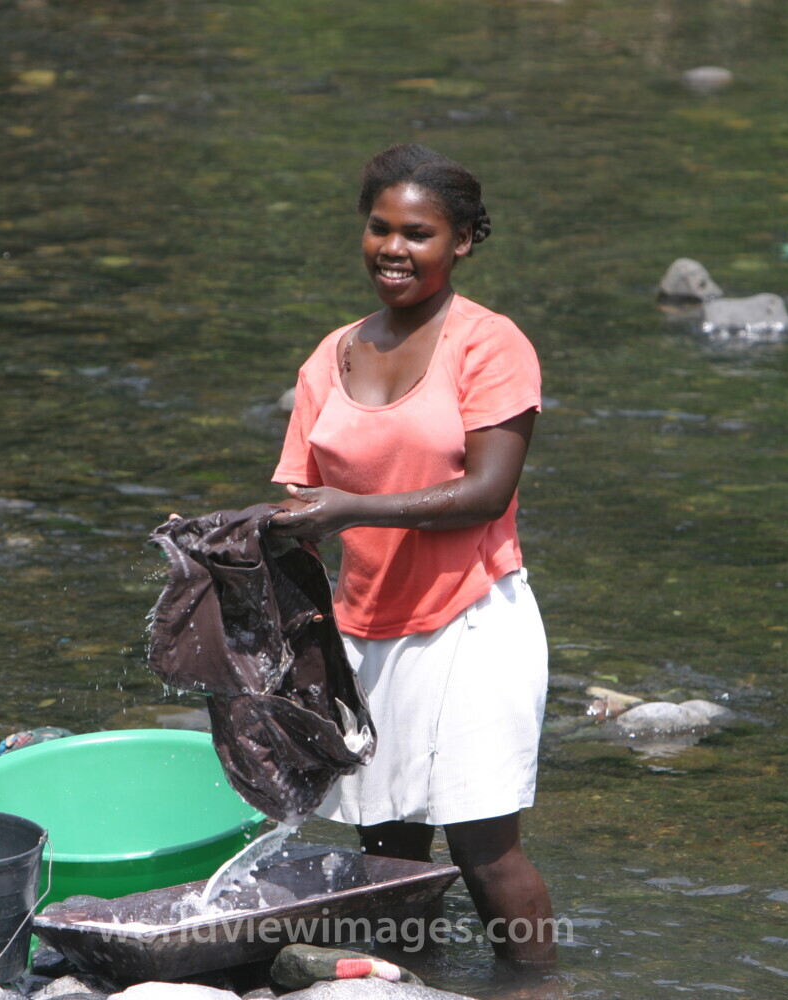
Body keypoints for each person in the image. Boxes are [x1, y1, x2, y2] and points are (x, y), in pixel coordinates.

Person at [270, 143, 555, 966]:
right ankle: (406, 984)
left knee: (482, 847)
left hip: (474, 618)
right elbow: (304, 508)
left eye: (419, 234)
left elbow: (486, 494)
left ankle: (538, 989)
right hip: (367, 631)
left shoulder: (490, 345)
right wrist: (234, 537)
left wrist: (352, 507)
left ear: (462, 241)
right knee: (390, 855)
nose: (394, 248)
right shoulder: (332, 357)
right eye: (380, 228)